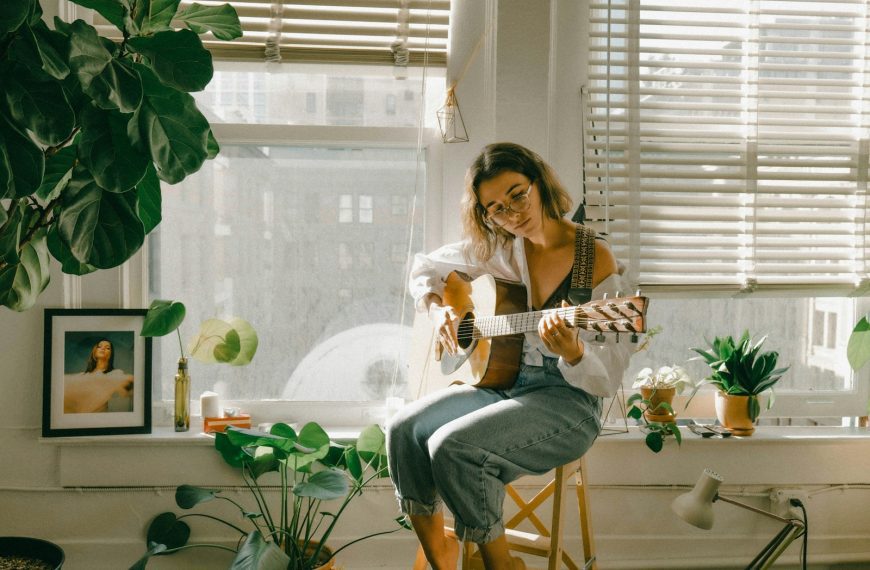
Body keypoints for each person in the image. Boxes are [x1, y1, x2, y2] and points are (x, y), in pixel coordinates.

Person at [387, 142, 634, 569]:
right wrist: (438, 309)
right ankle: (440, 553)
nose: (512, 214)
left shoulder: (592, 257)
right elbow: (425, 266)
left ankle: (500, 564)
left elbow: (606, 380)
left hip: (568, 403)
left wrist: (574, 352)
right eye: (496, 209)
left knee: (452, 446)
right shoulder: (504, 250)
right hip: (503, 384)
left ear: (539, 183)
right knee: (404, 429)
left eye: (518, 195)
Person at [64, 339, 134, 414]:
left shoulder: (115, 373)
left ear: (111, 354)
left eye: (107, 348)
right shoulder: (83, 375)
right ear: (94, 351)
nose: (103, 348)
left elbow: (121, 380)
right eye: (99, 346)